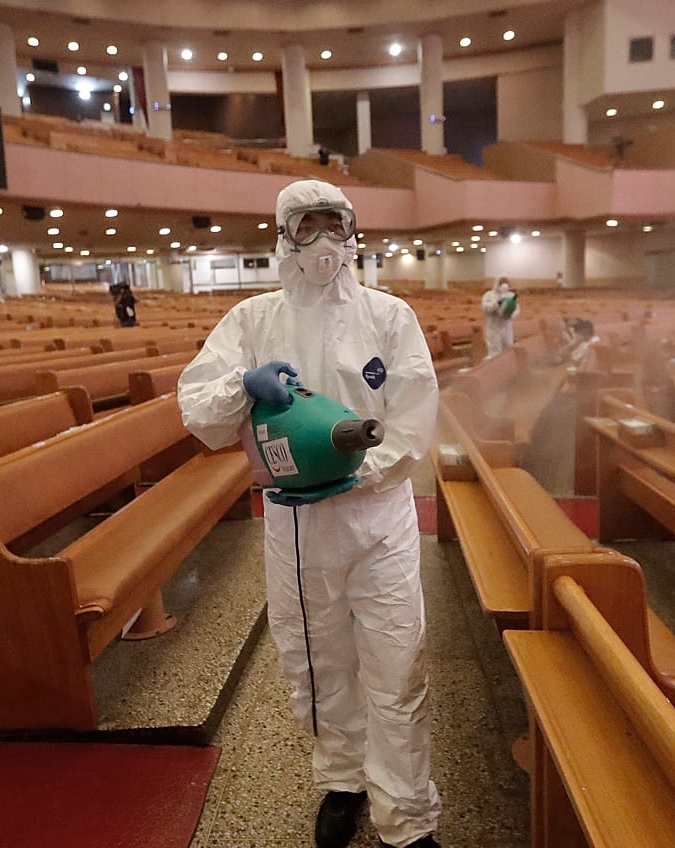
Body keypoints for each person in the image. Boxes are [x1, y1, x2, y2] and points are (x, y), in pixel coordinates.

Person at [178, 179, 442, 848]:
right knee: (317, 662)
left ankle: (407, 817)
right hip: (295, 525)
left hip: (379, 518)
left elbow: (412, 422)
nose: (322, 239)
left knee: (395, 661)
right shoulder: (252, 320)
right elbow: (200, 413)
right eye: (307, 225)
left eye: (334, 222)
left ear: (353, 231)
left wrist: (357, 475)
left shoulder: (390, 316)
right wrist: (243, 385)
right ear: (284, 233)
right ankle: (343, 781)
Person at [480, 277, 518, 357]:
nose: (504, 284)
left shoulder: (511, 295)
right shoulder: (489, 295)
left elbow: (517, 309)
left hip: (507, 328)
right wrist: (497, 303)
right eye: (502, 282)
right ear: (497, 283)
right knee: (495, 353)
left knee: (508, 351)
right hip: (494, 328)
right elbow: (486, 308)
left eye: (506, 282)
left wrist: (510, 314)